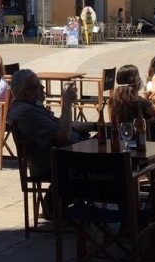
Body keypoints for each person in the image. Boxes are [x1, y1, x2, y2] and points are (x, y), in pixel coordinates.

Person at [6, 70, 94, 215]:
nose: (43, 89)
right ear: (25, 92)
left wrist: (96, 126)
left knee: (109, 139)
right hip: (57, 162)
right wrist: (66, 103)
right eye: (38, 86)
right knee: (112, 161)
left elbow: (64, 124)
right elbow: (63, 135)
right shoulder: (25, 113)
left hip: (69, 154)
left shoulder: (33, 106)